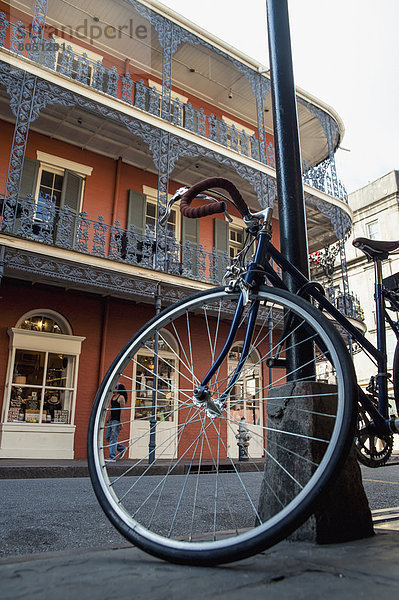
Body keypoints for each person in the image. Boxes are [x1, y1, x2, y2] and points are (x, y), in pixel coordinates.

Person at [105, 383, 128, 462]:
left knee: (113, 438)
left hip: (116, 421)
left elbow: (122, 411)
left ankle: (112, 457)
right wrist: (108, 419)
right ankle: (122, 448)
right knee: (108, 437)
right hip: (111, 420)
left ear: (118, 389)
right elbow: (111, 409)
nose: (113, 389)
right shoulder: (113, 397)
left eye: (115, 388)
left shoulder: (121, 398)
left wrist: (121, 422)